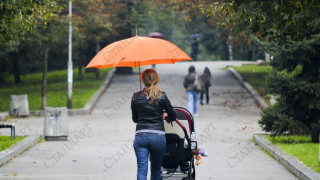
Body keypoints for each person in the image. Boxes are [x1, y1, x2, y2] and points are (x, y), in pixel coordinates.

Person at [131, 69, 176, 180]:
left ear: (143, 80)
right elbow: (173, 116)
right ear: (157, 79)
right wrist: (166, 117)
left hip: (141, 136)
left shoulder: (136, 97)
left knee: (142, 170)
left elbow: (135, 119)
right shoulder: (162, 96)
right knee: (156, 170)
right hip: (158, 137)